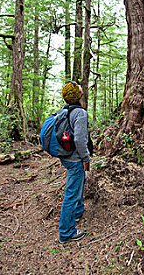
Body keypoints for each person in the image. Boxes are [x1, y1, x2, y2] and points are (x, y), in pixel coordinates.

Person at [58, 81, 91, 244]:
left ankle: (77, 211)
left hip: (66, 156)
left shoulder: (63, 111)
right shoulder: (80, 113)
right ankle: (66, 232)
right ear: (77, 95)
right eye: (79, 88)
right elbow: (79, 139)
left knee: (78, 184)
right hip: (75, 158)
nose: (81, 88)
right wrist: (86, 158)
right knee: (71, 193)